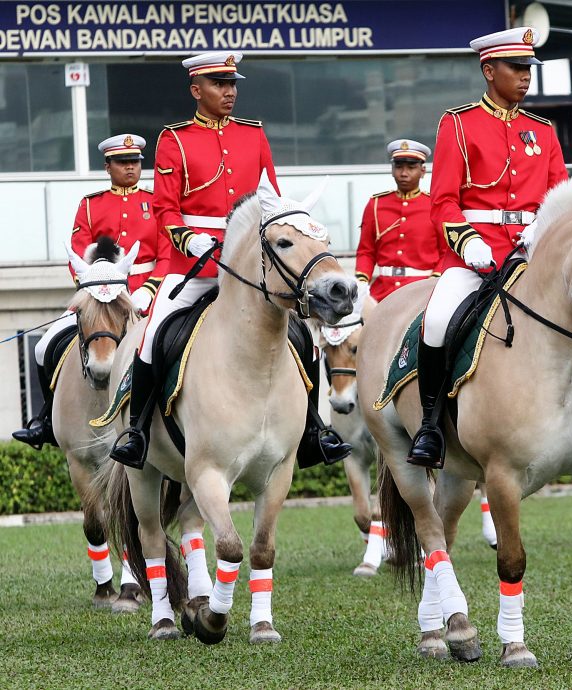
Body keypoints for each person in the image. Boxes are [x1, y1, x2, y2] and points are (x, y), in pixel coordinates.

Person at [109, 51, 349, 469]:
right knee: (151, 338)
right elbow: (165, 210)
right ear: (196, 90)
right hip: (195, 268)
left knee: (305, 339)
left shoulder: (253, 134)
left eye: (233, 83)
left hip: (252, 268)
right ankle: (137, 432)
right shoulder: (175, 139)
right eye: (220, 84)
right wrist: (190, 240)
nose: (229, 91)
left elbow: (271, 202)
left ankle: (312, 432)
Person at [406, 27, 569, 470]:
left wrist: (544, 229)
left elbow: (561, 196)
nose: (525, 77)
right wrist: (468, 241)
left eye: (529, 69)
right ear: (488, 69)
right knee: (437, 320)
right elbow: (442, 201)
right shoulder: (458, 124)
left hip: (531, 252)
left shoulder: (542, 130)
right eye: (516, 68)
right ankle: (431, 425)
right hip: (474, 254)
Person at [12, 134, 163, 449]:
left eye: (135, 162)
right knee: (43, 349)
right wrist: (93, 293)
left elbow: (165, 254)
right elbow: (77, 257)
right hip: (97, 297)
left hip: (147, 294)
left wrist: (150, 289)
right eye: (122, 162)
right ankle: (48, 422)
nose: (130, 168)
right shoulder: (91, 205)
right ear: (107, 166)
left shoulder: (156, 202)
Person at [354, 139, 444, 301]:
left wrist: (433, 283)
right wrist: (361, 283)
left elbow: (445, 254)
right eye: (399, 167)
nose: (403, 173)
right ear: (392, 169)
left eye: (411, 167)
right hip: (381, 292)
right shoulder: (375, 204)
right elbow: (366, 251)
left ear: (423, 171)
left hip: (421, 292)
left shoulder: (435, 205)